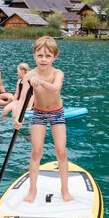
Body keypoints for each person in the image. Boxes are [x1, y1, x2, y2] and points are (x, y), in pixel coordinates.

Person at [13, 36, 72, 203]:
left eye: (47, 56)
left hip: (57, 113)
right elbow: (23, 98)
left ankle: (65, 189)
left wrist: (41, 83)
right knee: (36, 151)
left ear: (54, 57)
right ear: (34, 56)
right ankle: (32, 190)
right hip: (39, 114)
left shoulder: (57, 73)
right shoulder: (29, 75)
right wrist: (18, 118)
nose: (43, 59)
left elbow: (55, 88)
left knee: (61, 151)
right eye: (40, 55)